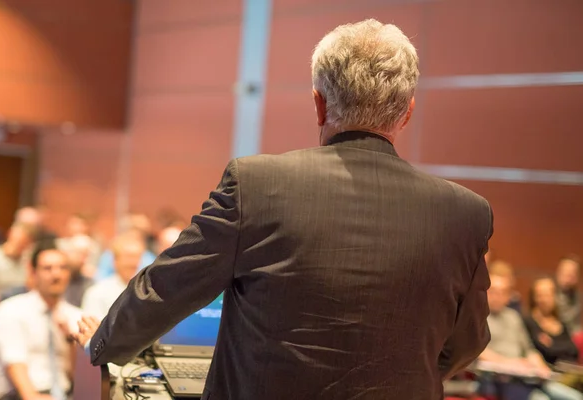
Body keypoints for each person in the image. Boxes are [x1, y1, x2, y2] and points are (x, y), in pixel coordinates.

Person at [73, 19, 493, 399]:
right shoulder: (466, 214)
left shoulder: (257, 185)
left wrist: (103, 344)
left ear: (320, 104)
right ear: (407, 113)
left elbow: (166, 288)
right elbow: (467, 341)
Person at [0, 246, 81, 400]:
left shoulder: (76, 316)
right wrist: (31, 395)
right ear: (33, 273)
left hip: (64, 394)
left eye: (62, 268)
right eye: (47, 268)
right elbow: (14, 361)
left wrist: (70, 341)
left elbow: (77, 377)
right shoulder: (11, 310)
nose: (56, 274)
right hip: (17, 395)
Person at [479, 275, 582, 400]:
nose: (498, 296)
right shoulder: (478, 317)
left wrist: (540, 366)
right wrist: (510, 363)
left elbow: (528, 349)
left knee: (575, 397)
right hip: (499, 378)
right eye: (494, 291)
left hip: (527, 376)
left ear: (508, 296)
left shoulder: (513, 317)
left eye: (503, 292)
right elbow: (478, 352)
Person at [81, 233, 145, 319]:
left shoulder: (146, 290)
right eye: (129, 257)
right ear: (115, 260)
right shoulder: (97, 293)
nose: (133, 263)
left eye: (137, 257)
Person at [525, 277, 579, 366]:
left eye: (549, 294)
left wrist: (553, 345)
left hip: (568, 370)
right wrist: (560, 347)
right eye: (541, 295)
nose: (545, 299)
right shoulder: (529, 322)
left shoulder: (562, 322)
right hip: (545, 372)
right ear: (534, 298)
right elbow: (547, 352)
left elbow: (573, 351)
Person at [555, 255, 582, 334]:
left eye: (572, 274)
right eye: (564, 272)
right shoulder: (548, 295)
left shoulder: (578, 298)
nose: (567, 277)